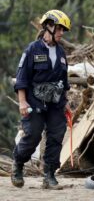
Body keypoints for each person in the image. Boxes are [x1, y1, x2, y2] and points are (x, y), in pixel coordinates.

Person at [12, 10, 72, 189]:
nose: (62, 33)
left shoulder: (61, 53)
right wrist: (22, 102)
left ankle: (50, 175)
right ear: (49, 26)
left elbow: (64, 82)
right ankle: (18, 164)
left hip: (55, 104)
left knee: (56, 137)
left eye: (63, 30)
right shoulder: (32, 50)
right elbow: (21, 78)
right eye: (60, 29)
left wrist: (66, 103)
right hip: (34, 103)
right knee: (33, 136)